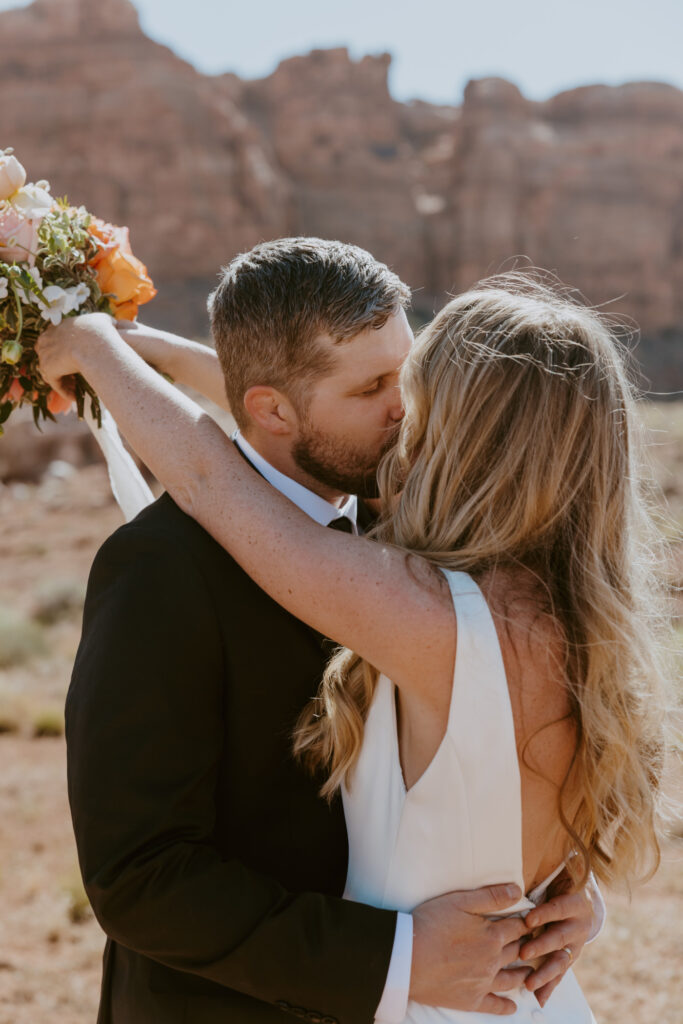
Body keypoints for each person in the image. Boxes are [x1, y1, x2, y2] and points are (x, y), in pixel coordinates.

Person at [39, 245, 609, 1023]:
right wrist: (393, 960)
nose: (405, 409)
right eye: (374, 387)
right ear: (270, 409)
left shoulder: (415, 534)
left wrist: (555, 885)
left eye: (405, 376)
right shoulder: (160, 567)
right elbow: (140, 877)